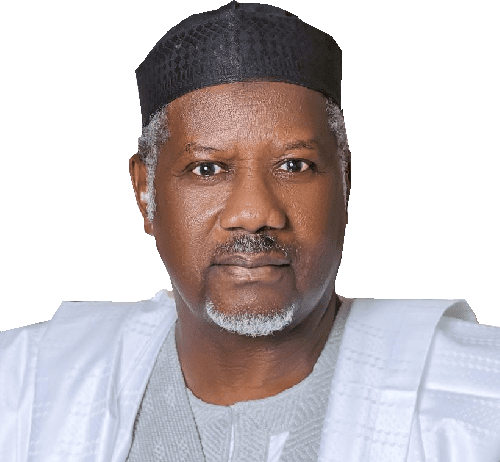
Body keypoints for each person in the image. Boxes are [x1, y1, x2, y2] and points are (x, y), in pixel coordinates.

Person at [1, 2, 499, 461]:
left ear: (346, 180)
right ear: (145, 191)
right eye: (207, 170)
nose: (254, 212)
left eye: (294, 165)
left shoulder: (477, 401)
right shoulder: (24, 390)